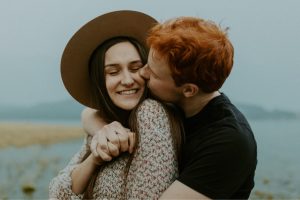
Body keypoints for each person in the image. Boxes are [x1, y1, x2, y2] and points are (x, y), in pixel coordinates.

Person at [83, 16, 257, 199]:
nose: (142, 73)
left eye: (154, 73)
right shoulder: (169, 95)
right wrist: (104, 130)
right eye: (147, 64)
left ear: (189, 90)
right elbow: (89, 112)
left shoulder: (228, 143)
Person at [49, 10, 183, 199]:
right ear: (100, 81)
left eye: (135, 68)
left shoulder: (151, 114)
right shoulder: (106, 124)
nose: (128, 80)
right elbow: (57, 192)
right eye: (113, 72)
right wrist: (95, 157)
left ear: (147, 70)